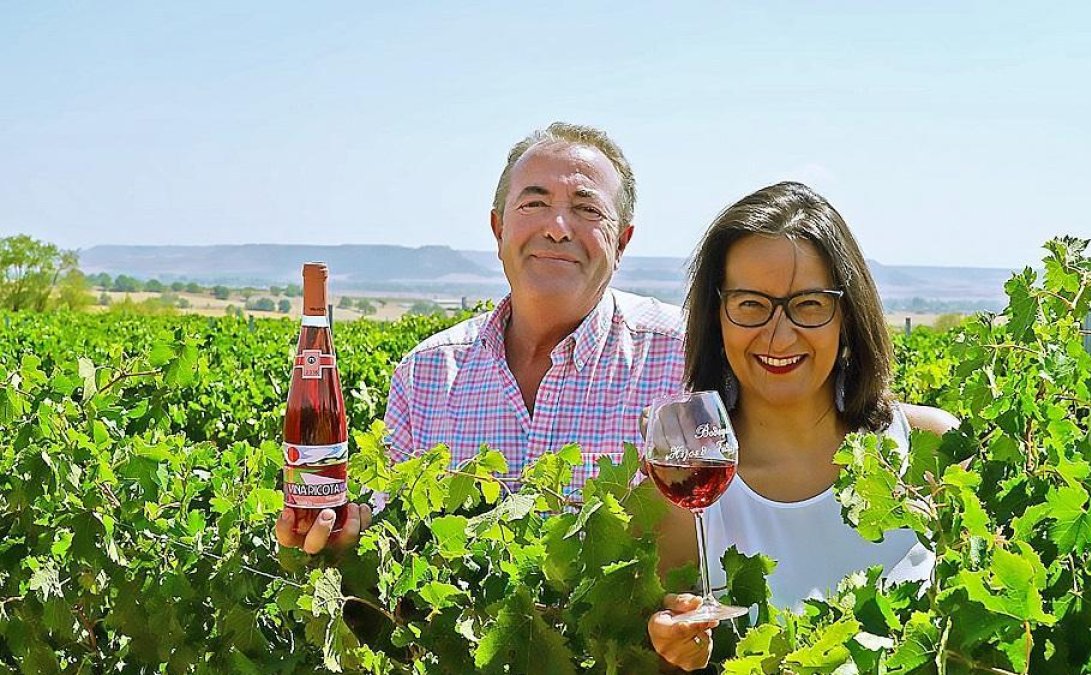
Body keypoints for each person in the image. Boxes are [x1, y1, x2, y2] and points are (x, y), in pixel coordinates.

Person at [276, 123, 685, 555]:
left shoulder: (682, 358)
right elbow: (394, 540)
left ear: (621, 242)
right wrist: (345, 549)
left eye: (588, 210)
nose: (559, 228)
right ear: (498, 230)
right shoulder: (425, 374)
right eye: (533, 203)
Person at [645, 182, 958, 672]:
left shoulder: (930, 448)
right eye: (750, 304)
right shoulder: (682, 498)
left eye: (809, 304)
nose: (779, 333)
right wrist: (672, 652)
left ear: (847, 314)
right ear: (717, 316)